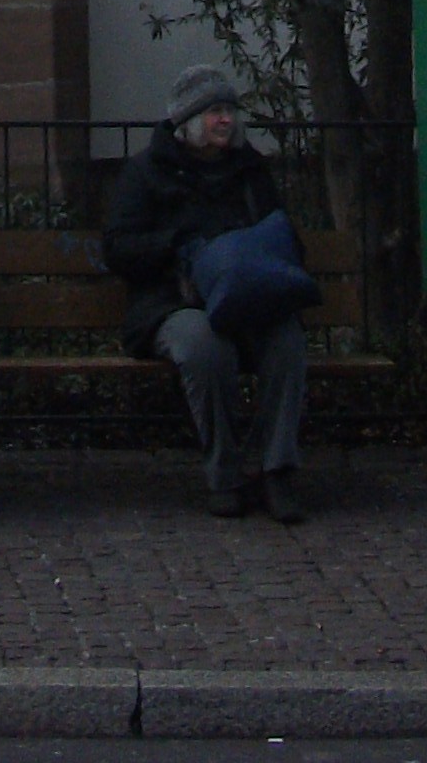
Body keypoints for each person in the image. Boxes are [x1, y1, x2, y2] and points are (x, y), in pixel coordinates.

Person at [104, 63, 310, 522]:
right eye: (216, 111)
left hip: (248, 297)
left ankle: (277, 471)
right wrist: (177, 245)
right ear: (189, 121)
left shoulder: (251, 171)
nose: (227, 121)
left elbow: (283, 236)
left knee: (287, 343)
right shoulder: (145, 173)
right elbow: (119, 248)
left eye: (230, 111)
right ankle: (227, 475)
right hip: (174, 302)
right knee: (205, 348)